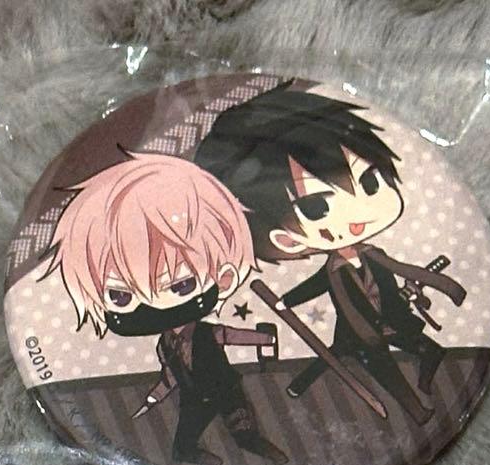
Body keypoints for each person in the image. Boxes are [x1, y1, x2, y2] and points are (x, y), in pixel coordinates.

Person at [194, 81, 468, 421]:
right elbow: (313, 286)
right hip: (360, 334)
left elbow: (403, 270)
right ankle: (417, 412)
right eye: (316, 208)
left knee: (428, 349)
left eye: (370, 182)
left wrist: (448, 287)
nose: (358, 212)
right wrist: (285, 302)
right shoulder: (332, 272)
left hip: (393, 319)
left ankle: (425, 383)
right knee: (383, 372)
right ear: (285, 238)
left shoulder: (375, 254)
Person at [44, 152, 286, 465]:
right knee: (182, 448)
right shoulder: (164, 345)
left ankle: (278, 460)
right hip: (194, 399)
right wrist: (152, 400)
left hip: (225, 390)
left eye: (182, 284)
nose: (155, 304)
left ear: (224, 278)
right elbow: (170, 375)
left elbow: (231, 335)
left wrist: (266, 339)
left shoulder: (205, 331)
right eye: (120, 295)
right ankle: (211, 464)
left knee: (246, 436)